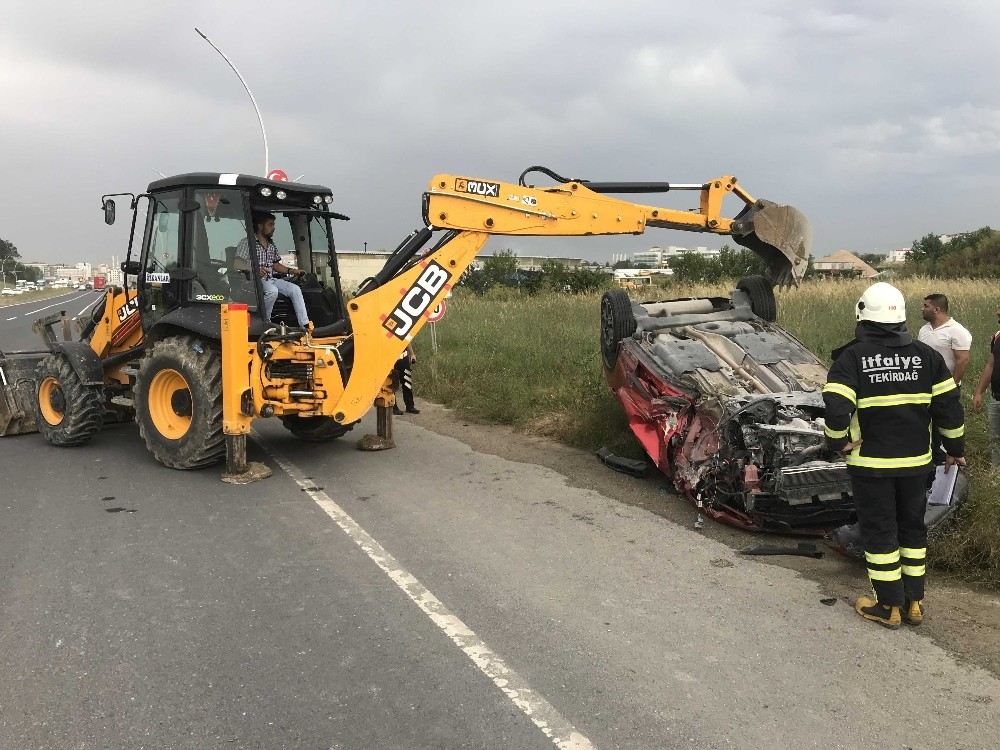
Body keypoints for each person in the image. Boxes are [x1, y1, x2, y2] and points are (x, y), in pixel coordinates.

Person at [823, 282, 965, 629]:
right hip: (917, 465)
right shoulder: (926, 355)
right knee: (912, 530)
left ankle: (888, 607)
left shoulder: (851, 358)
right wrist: (955, 450)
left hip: (872, 468)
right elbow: (950, 408)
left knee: (881, 532)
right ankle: (914, 602)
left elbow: (837, 411)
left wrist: (837, 443)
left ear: (862, 315)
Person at [235, 212, 310, 329]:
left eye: (273, 224)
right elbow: (237, 264)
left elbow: (275, 265)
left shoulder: (271, 244)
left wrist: (292, 271)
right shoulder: (247, 242)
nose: (273, 228)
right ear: (260, 226)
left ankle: (305, 324)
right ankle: (264, 321)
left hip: (271, 279)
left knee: (295, 289)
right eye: (270, 224)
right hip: (253, 281)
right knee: (272, 291)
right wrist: (255, 270)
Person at [918, 293, 972, 384]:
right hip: (925, 384)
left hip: (945, 386)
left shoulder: (957, 330)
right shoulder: (924, 329)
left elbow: (962, 360)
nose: (922, 309)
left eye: (926, 306)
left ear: (936, 310)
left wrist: (952, 387)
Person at [971, 306, 1000, 465]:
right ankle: (996, 474)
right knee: (995, 439)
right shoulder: (997, 336)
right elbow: (990, 364)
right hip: (995, 398)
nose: (997, 312)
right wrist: (979, 392)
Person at [392, 343, 420, 415]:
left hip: (403, 356)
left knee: (407, 382)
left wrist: (412, 354)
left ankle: (410, 406)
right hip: (390, 357)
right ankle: (393, 407)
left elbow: (407, 341)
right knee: (392, 383)